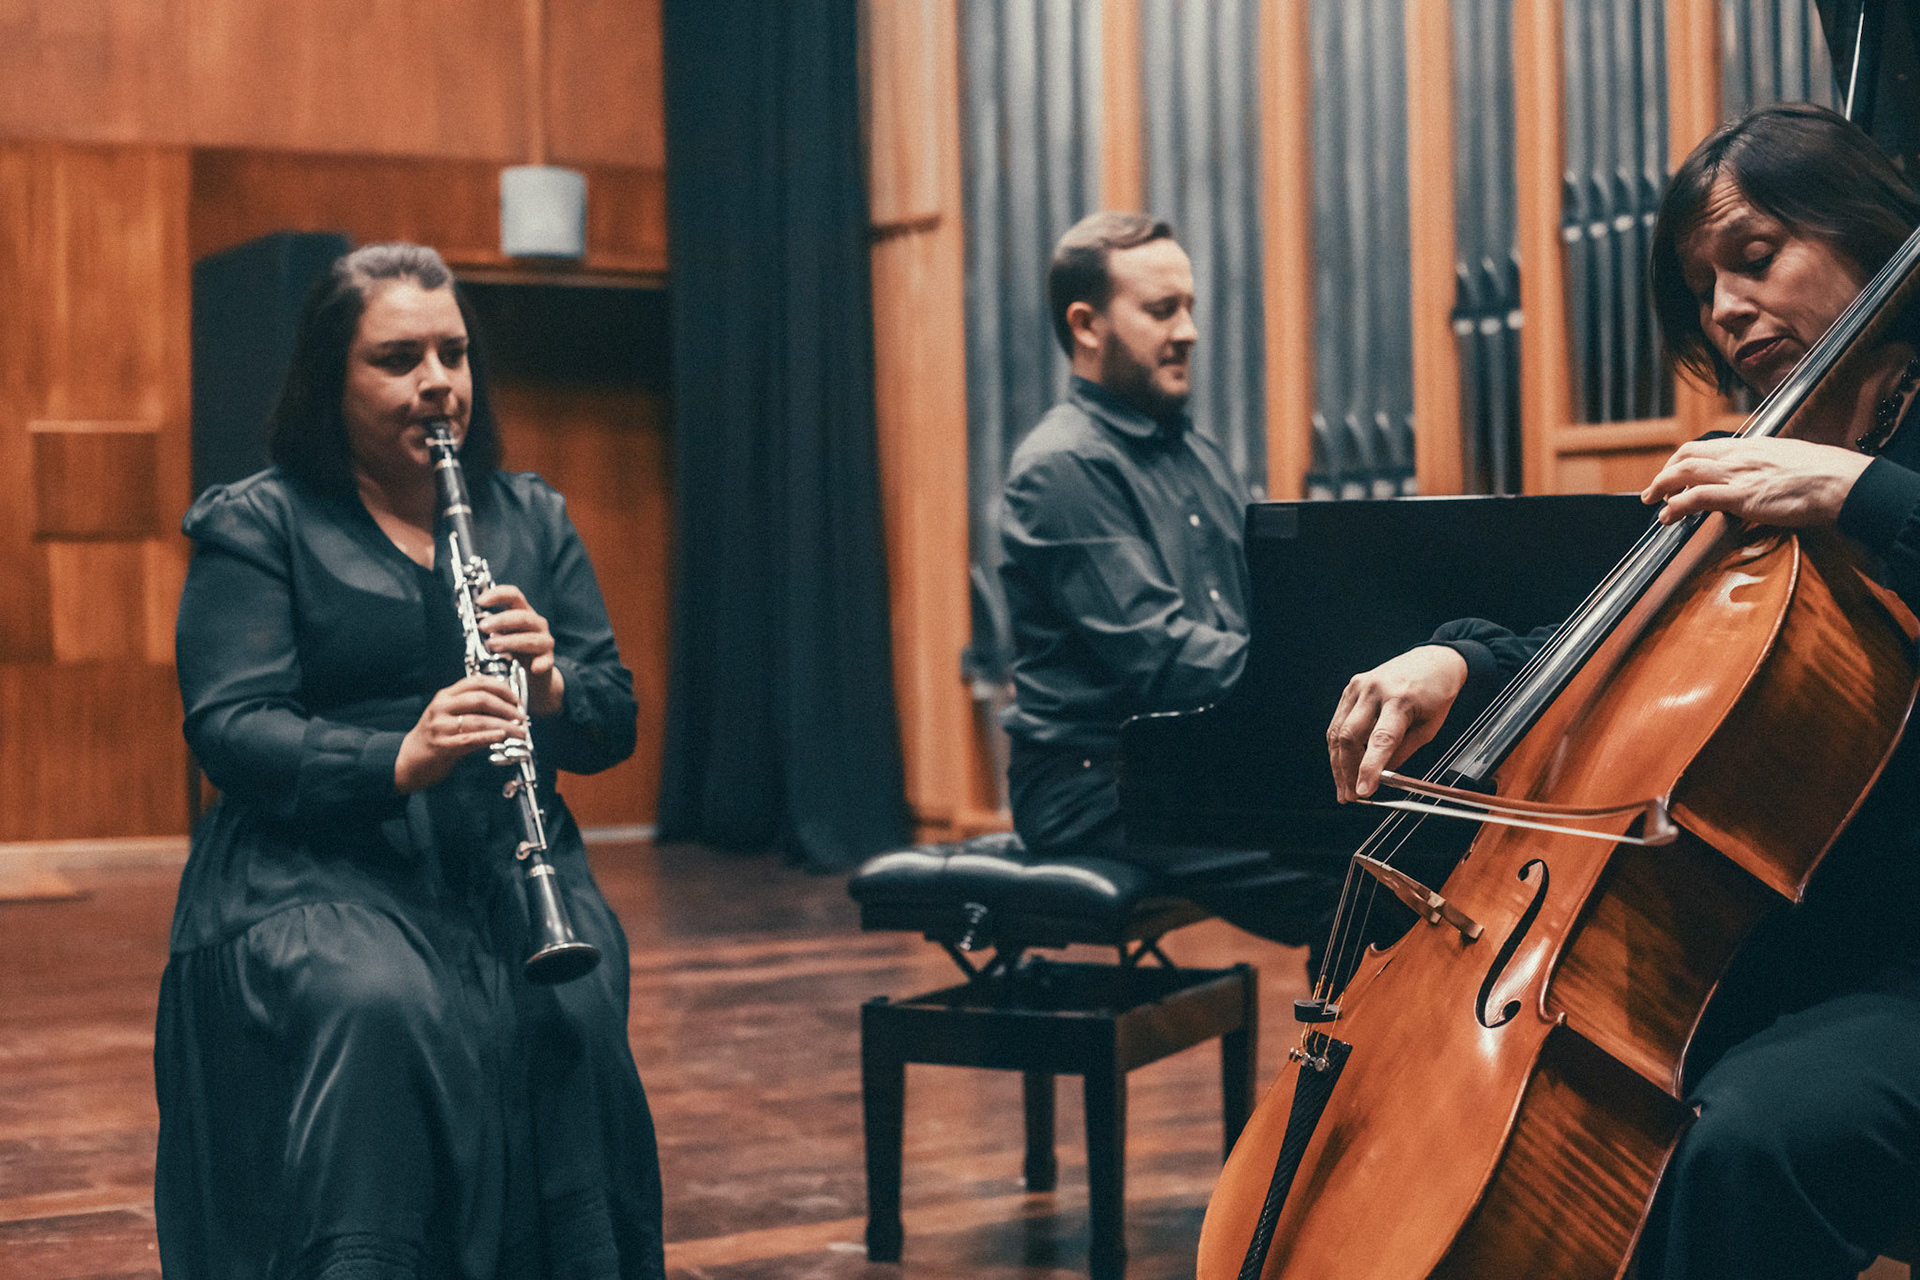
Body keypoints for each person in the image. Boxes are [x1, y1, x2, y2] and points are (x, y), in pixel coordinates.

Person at [1326, 103, 1920, 1279]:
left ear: (1863, 232)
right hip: (1787, 940)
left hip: (1900, 962)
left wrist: (1858, 491)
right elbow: (1624, 653)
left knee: (1742, 1142)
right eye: (1703, 287)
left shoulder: (1818, 464)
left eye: (1755, 256)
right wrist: (1460, 663)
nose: (1726, 308)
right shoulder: (1753, 453)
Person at [155, 243, 666, 1279]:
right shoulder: (260, 523)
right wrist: (400, 755)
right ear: (329, 381)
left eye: (453, 354)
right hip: (315, 859)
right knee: (379, 1001)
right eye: (398, 359)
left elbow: (611, 714)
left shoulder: (531, 516)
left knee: (569, 1005)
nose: (438, 382)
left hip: (498, 854)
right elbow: (231, 726)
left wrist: (551, 688)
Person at [999, 210, 1339, 953]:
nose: (1188, 330)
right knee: (1347, 878)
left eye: (1189, 307)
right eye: (1161, 310)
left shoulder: (1198, 456)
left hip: (1184, 755)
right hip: (1093, 782)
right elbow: (1162, 657)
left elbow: (1259, 617)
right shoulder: (1062, 467)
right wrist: (1325, 683)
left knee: (1394, 839)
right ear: (1086, 325)